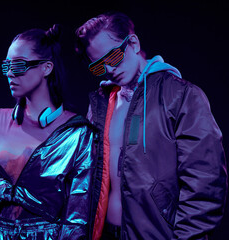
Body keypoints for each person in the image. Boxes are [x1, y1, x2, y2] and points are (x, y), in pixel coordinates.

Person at [74, 11, 227, 240]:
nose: (109, 70)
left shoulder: (181, 95)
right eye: (99, 66)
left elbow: (205, 182)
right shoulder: (101, 104)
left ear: (133, 43)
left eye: (114, 57)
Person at [0, 24, 97, 239]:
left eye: (18, 65)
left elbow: (78, 216)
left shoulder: (77, 134)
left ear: (46, 68)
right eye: (6, 65)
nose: (9, 73)